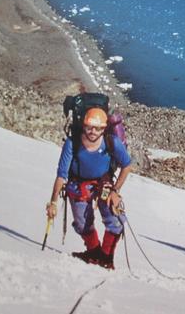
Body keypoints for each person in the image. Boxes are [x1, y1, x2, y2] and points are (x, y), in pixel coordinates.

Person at [46, 107, 132, 270]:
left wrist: (115, 190)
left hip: (103, 184)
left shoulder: (110, 142)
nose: (93, 132)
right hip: (78, 185)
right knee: (82, 223)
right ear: (83, 126)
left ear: (104, 128)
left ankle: (105, 258)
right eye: (89, 127)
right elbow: (61, 175)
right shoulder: (73, 143)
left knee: (114, 220)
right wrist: (53, 203)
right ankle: (95, 253)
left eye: (98, 128)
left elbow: (127, 165)